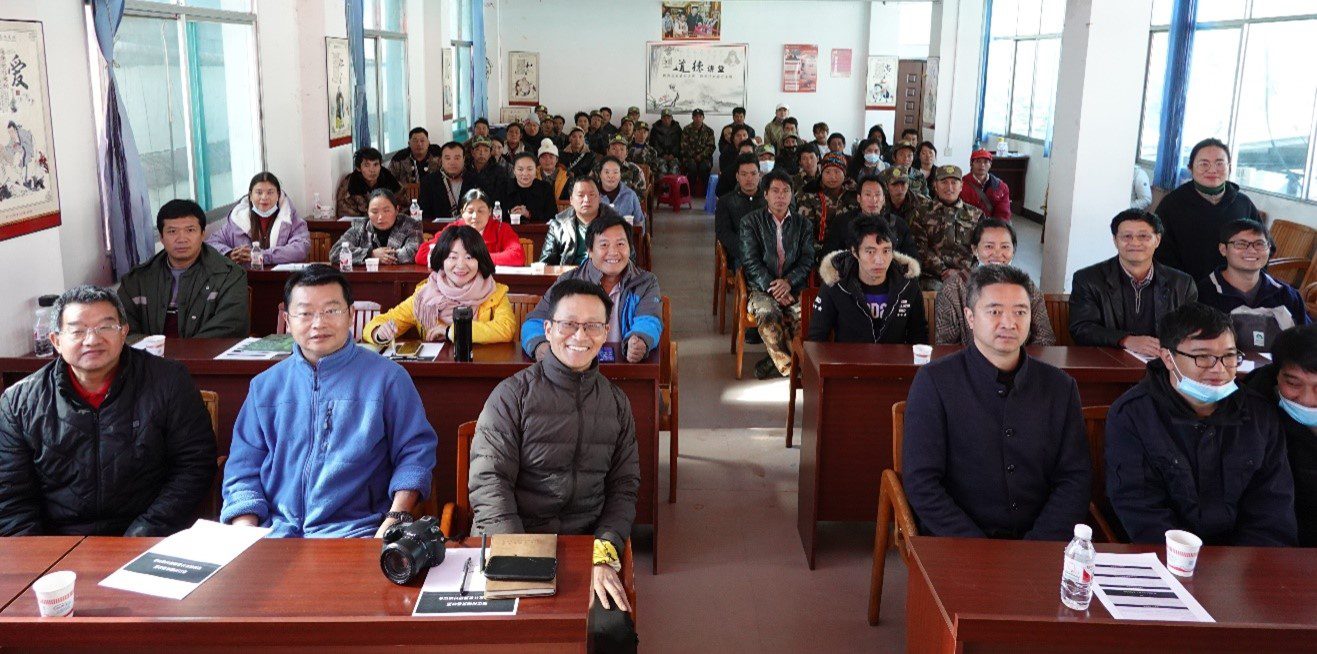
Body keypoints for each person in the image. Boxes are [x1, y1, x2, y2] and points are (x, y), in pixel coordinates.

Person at [471, 279, 640, 653]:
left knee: (611, 631)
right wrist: (522, 558)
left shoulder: (616, 403)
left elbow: (624, 486)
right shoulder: (512, 395)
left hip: (584, 545)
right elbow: (489, 482)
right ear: (548, 329)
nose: (580, 335)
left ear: (606, 332)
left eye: (593, 325)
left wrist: (603, 552)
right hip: (516, 536)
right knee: (512, 631)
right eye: (568, 324)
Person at [221, 265, 438, 537]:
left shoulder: (388, 379)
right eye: (305, 313)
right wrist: (245, 533)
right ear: (287, 320)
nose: (318, 323)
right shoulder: (265, 387)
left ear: (351, 315)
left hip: (357, 533)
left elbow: (415, 455)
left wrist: (393, 520)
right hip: (273, 534)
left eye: (331, 310)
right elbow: (242, 469)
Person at [0, 286, 216, 536]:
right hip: (58, 544)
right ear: (56, 341)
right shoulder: (19, 403)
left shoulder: (168, 381)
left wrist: (146, 531)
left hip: (150, 535)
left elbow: (194, 465)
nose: (92, 340)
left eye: (105, 327)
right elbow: (10, 497)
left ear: (124, 332)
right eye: (78, 330)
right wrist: (39, 559)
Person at [903, 264, 1091, 540]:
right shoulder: (934, 382)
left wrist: (1038, 544)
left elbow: (1075, 478)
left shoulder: (1060, 387)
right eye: (994, 311)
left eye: (1020, 312)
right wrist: (978, 548)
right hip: (958, 542)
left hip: (1039, 544)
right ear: (969, 317)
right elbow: (922, 483)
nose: (1008, 323)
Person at [1105, 302, 1296, 546]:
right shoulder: (1132, 415)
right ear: (1167, 357)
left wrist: (1245, 568)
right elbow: (1141, 511)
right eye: (1203, 357)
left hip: (1245, 565)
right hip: (1167, 558)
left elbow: (1272, 510)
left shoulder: (1259, 415)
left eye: (1228, 356)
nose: (1219, 370)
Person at [522, 215, 663, 363]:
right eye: (604, 245)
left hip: (624, 365)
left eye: (621, 244)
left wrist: (640, 338)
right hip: (576, 367)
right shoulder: (569, 281)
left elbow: (650, 319)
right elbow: (534, 322)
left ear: (630, 248)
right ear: (589, 250)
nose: (614, 252)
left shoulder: (645, 282)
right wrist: (539, 346)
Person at [1068, 210, 1198, 355]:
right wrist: (1125, 340)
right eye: (1127, 236)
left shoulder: (1182, 284)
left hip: (1163, 366)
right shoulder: (1088, 279)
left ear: (1157, 240)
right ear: (1115, 240)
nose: (1135, 243)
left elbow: (1191, 332)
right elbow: (1082, 328)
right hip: (1108, 363)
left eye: (1143, 236)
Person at [119, 199, 249, 338]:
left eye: (190, 230)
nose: (182, 239)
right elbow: (122, 329)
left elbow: (229, 327)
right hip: (151, 357)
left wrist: (184, 353)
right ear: (161, 238)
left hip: (204, 357)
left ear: (202, 234)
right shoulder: (137, 279)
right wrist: (153, 354)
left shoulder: (230, 275)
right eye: (172, 231)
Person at [366, 225, 514, 345]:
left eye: (469, 257)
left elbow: (505, 329)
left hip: (481, 368)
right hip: (437, 369)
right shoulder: (426, 294)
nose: (461, 265)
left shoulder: (495, 292)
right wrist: (378, 333)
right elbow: (379, 323)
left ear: (480, 260)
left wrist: (451, 331)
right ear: (442, 260)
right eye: (452, 257)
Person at [1243, 325, 1317, 546]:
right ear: (1276, 376)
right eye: (1293, 384)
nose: (1307, 399)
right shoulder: (1251, 415)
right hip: (1277, 544)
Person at [1154, 138, 1263, 281]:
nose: (1212, 170)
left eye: (1219, 163)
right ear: (1190, 168)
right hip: (1186, 290)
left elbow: (1263, 245)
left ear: (1229, 168)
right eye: (1204, 164)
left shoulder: (1243, 203)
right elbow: (1159, 251)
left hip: (1234, 289)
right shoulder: (1172, 204)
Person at [740, 170, 814, 379]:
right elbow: (750, 262)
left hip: (794, 286)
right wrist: (775, 288)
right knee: (768, 315)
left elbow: (808, 259)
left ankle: (777, 362)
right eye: (775, 191)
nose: (780, 196)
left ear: (792, 195)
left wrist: (788, 283)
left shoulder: (803, 224)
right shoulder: (750, 222)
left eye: (786, 191)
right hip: (762, 287)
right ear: (765, 194)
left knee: (805, 315)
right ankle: (791, 368)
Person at [935, 219, 1055, 346]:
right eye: (989, 246)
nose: (997, 254)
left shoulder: (1027, 287)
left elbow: (1045, 338)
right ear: (975, 249)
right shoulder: (953, 288)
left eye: (1005, 247)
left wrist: (1017, 362)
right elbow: (945, 344)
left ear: (1013, 251)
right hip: (969, 363)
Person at [809, 216, 927, 344]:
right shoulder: (836, 281)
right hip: (849, 361)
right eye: (870, 252)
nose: (879, 260)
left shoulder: (908, 283)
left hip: (894, 362)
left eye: (886, 251)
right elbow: (817, 338)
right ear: (855, 252)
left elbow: (919, 336)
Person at [1197, 219, 1310, 351]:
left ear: (1269, 249)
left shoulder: (1286, 294)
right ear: (1223, 249)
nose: (1251, 250)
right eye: (1241, 244)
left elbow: (1306, 341)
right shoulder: (1204, 294)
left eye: (1259, 244)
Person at [207, 172, 310, 265]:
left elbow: (301, 248)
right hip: (247, 280)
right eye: (259, 192)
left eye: (270, 192)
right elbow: (211, 243)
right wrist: (229, 254)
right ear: (251, 196)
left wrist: (263, 256)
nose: (264, 197)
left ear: (278, 195)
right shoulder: (238, 220)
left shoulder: (290, 218)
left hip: (281, 279)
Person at [909, 165, 983, 291]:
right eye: (944, 182)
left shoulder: (976, 215)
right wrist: (944, 271)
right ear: (935, 185)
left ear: (961, 186)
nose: (949, 187)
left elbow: (982, 250)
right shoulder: (921, 213)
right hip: (932, 276)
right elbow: (919, 248)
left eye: (954, 183)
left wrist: (962, 274)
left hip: (967, 275)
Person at [416, 188, 524, 266]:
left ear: (490, 211)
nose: (475, 216)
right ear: (462, 212)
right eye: (470, 211)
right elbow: (422, 254)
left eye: (481, 211)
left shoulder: (501, 228)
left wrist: (475, 259)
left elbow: (517, 255)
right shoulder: (454, 228)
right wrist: (459, 260)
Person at [825, 173, 916, 263]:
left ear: (883, 199)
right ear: (859, 198)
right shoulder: (842, 222)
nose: (873, 200)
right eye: (868, 194)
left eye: (877, 195)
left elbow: (912, 261)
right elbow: (828, 258)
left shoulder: (898, 224)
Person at [542, 176, 625, 266]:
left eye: (592, 194)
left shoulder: (616, 222)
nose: (586, 200)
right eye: (580, 195)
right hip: (570, 277)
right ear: (571, 200)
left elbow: (629, 259)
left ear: (599, 198)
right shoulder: (558, 225)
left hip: (605, 275)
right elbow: (545, 262)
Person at [329, 188, 422, 265]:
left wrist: (383, 256)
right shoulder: (359, 226)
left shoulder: (411, 225)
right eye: (374, 212)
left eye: (386, 211)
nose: (380, 217)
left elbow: (413, 253)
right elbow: (335, 253)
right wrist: (371, 254)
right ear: (367, 212)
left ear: (397, 210)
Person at [798, 153, 859, 267]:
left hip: (851, 250)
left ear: (844, 174)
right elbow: (805, 231)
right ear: (821, 173)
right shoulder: (808, 195)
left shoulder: (855, 194)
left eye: (837, 172)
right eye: (827, 172)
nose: (832, 177)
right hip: (819, 251)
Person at [714, 153, 764, 272]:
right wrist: (747, 249)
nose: (749, 178)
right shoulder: (725, 202)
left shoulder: (769, 199)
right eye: (744, 174)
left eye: (753, 173)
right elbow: (724, 233)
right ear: (737, 176)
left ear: (759, 175)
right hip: (740, 254)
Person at [335, 147, 405, 219]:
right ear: (359, 168)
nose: (372, 170)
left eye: (375, 164)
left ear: (380, 166)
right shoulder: (350, 186)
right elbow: (348, 218)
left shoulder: (389, 180)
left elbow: (404, 208)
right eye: (366, 165)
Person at [417, 141, 477, 220]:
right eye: (447, 158)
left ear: (464, 159)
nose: (452, 162)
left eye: (457, 158)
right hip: (438, 229)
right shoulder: (428, 182)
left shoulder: (475, 180)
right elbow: (424, 213)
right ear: (441, 160)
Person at [503, 151, 558, 224]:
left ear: (536, 169)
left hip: (538, 233)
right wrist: (509, 213)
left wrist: (528, 214)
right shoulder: (504, 187)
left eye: (529, 169)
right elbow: (495, 214)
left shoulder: (545, 188)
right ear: (514, 171)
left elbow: (552, 217)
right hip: (509, 232)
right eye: (520, 169)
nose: (525, 173)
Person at [597, 156, 647, 235]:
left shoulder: (630, 195)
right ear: (600, 174)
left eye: (615, 172)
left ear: (620, 175)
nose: (611, 176)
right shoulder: (593, 195)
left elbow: (640, 224)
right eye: (607, 172)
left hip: (625, 243)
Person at [959, 149, 1012, 221]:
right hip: (967, 225)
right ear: (971, 164)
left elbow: (1003, 214)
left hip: (991, 226)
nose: (982, 165)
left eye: (986, 162)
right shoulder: (961, 184)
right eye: (978, 161)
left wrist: (995, 228)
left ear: (990, 165)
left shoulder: (1001, 187)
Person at [681, 108, 716, 195]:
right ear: (692, 118)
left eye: (700, 116)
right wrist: (693, 156)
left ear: (703, 117)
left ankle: (706, 193)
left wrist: (701, 156)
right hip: (689, 158)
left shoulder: (709, 131)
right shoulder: (686, 129)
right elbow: (684, 146)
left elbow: (711, 147)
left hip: (705, 158)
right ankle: (689, 192)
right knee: (692, 168)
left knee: (704, 168)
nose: (698, 118)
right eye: (695, 117)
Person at [715, 124, 753, 197]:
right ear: (733, 138)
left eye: (744, 135)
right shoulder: (725, 153)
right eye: (738, 135)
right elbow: (725, 176)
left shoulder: (753, 150)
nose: (742, 138)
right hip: (731, 189)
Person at [466, 135, 507, 202]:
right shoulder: (466, 170)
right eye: (478, 150)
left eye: (486, 150)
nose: (482, 153)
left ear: (490, 153)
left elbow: (501, 197)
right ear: (472, 152)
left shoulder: (499, 171)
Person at [650, 108, 683, 175]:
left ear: (672, 118)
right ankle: (661, 185)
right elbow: (653, 144)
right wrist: (662, 154)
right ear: (661, 118)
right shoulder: (655, 129)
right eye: (664, 117)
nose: (666, 120)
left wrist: (673, 154)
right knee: (662, 171)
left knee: (674, 171)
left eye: (668, 117)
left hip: (674, 156)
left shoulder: (677, 128)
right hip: (660, 156)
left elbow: (679, 143)